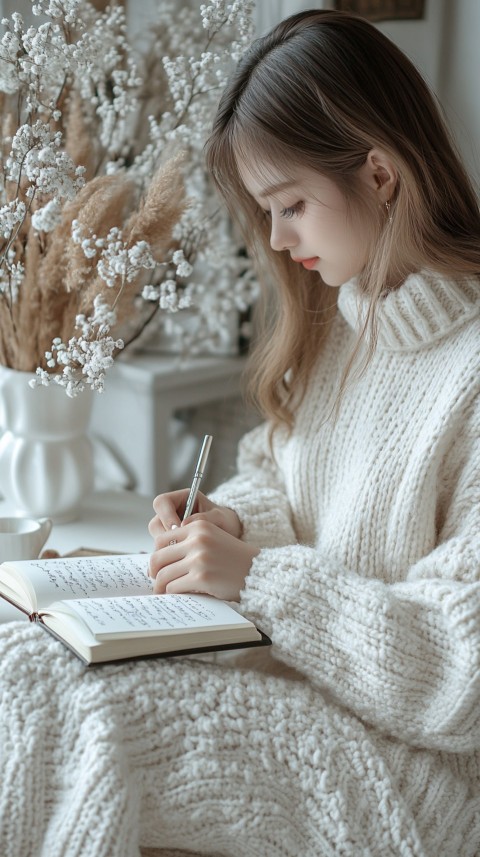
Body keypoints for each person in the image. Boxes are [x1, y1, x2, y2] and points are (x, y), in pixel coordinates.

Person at [0, 9, 479, 857]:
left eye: (290, 204)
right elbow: (279, 474)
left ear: (379, 172)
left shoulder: (468, 370)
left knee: (89, 715)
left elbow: (460, 669)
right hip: (300, 685)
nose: (275, 237)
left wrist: (259, 579)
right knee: (18, 652)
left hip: (409, 766)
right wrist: (227, 525)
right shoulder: (340, 320)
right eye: (265, 210)